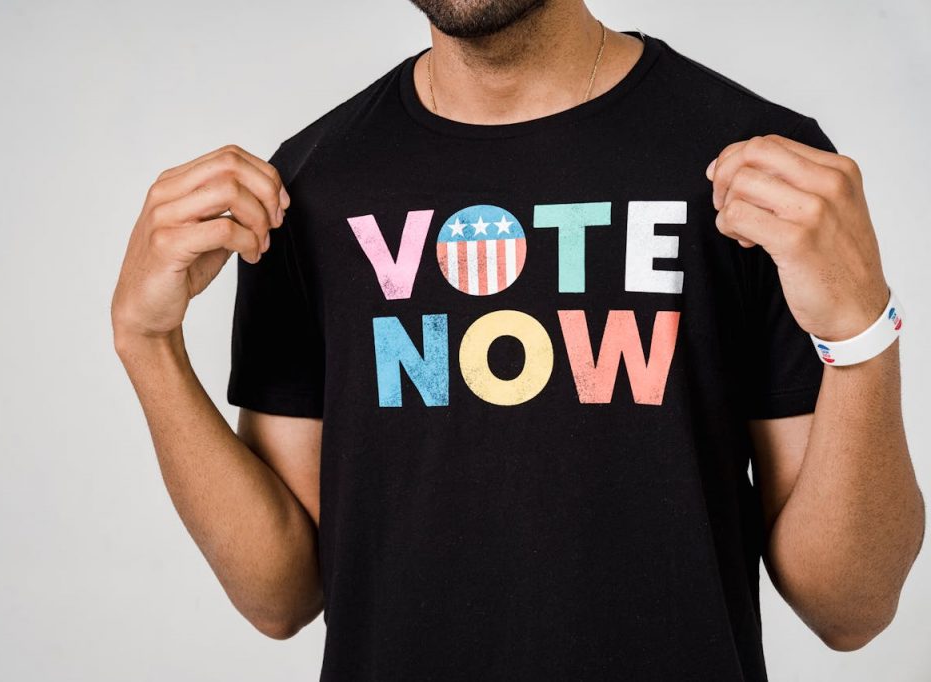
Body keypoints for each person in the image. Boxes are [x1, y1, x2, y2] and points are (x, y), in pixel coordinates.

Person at [110, 1, 925, 679]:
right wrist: (147, 341)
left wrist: (862, 331)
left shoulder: (757, 170)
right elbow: (279, 596)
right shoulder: (313, 187)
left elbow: (848, 608)